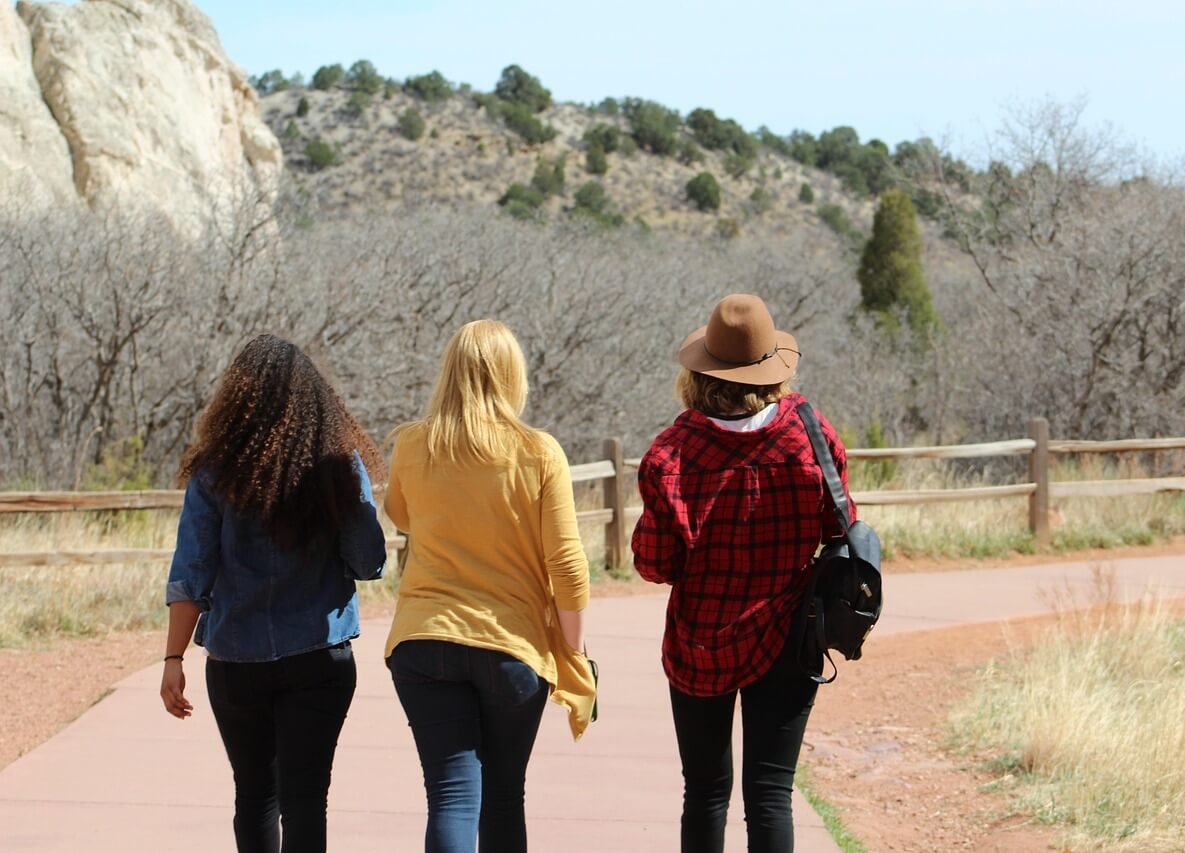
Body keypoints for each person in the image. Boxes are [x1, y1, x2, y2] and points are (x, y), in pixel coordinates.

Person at [632, 293, 852, 853]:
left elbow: (655, 565)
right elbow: (841, 522)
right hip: (790, 633)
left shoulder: (671, 454)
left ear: (701, 371)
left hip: (699, 639)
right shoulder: (809, 434)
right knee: (771, 792)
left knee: (704, 791)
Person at [159, 334, 387, 853]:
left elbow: (191, 570)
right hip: (319, 656)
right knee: (306, 799)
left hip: (236, 660)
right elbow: (368, 561)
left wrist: (173, 657)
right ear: (316, 399)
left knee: (254, 795)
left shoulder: (214, 471)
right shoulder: (338, 464)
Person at [383, 319, 594, 853]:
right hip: (511, 648)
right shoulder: (539, 451)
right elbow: (567, 563)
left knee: (451, 797)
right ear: (511, 375)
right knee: (503, 795)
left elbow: (401, 516)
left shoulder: (412, 444)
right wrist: (572, 650)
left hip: (423, 640)